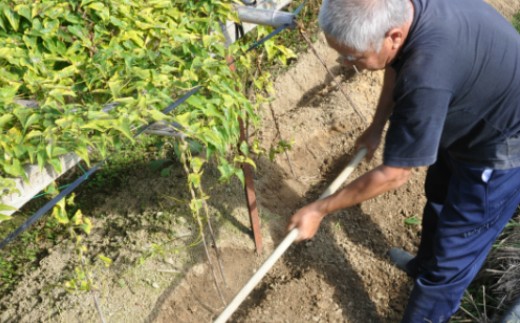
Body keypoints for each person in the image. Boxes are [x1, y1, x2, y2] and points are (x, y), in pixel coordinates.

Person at [287, 0, 520, 321]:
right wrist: (376, 126)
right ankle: (421, 265)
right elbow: (396, 65)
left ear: (393, 36)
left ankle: (429, 295)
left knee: (453, 256)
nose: (345, 63)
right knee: (439, 193)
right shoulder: (407, 12)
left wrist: (319, 209)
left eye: (353, 56)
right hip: (474, 105)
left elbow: (395, 174)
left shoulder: (426, 75)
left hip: (503, 145)